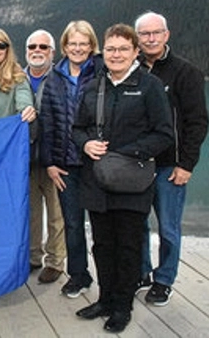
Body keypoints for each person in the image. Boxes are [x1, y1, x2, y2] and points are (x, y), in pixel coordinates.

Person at [72, 24, 174, 333]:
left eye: (123, 49)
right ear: (104, 51)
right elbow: (77, 128)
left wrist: (129, 153)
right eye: (111, 49)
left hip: (132, 180)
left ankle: (122, 306)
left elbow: (164, 134)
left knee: (128, 245)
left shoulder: (149, 86)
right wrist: (85, 143)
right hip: (97, 179)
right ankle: (104, 299)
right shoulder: (93, 86)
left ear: (135, 52)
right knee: (102, 244)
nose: (116, 54)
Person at [134, 11, 209, 306]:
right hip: (138, 165)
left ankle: (164, 279)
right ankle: (141, 272)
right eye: (144, 34)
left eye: (156, 33)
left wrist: (187, 164)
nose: (151, 38)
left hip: (170, 166)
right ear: (137, 39)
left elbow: (198, 122)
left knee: (168, 227)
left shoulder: (185, 72)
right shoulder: (131, 69)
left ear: (167, 35)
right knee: (138, 222)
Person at [39, 20, 104, 298]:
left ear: (92, 46)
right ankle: (79, 275)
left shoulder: (102, 72)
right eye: (73, 43)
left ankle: (111, 279)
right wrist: (50, 163)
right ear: (64, 46)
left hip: (99, 162)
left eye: (83, 43)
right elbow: (47, 122)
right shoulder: (54, 77)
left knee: (103, 225)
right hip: (66, 165)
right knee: (73, 224)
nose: (78, 48)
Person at [24, 29, 67, 284]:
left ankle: (55, 261)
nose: (37, 51)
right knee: (30, 212)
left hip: (54, 159)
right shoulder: (18, 79)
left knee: (55, 213)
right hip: (26, 158)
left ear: (52, 52)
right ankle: (32, 256)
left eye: (43, 46)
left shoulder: (60, 79)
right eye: (32, 46)